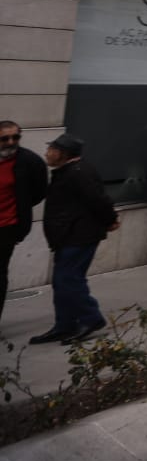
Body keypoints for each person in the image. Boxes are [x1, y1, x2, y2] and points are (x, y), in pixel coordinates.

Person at [31, 134, 119, 345]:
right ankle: (64, 325)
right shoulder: (66, 172)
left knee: (69, 280)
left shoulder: (79, 173)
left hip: (79, 235)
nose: (47, 153)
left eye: (51, 149)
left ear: (62, 153)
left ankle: (91, 318)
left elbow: (99, 200)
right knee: (62, 282)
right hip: (68, 235)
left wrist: (111, 220)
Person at [0, 121, 48, 331]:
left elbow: (38, 192)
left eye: (15, 137)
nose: (11, 142)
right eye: (5, 139)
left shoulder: (30, 162)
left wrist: (20, 209)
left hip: (7, 227)